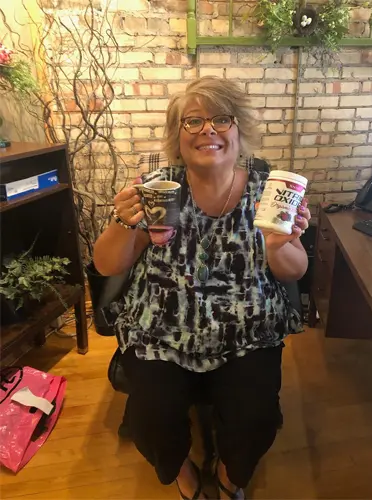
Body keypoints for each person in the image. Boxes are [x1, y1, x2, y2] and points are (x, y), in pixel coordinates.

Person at [93, 76, 310, 500]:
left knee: (256, 417)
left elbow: (294, 270)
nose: (208, 129)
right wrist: (122, 223)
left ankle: (230, 473)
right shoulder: (157, 189)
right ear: (178, 135)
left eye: (221, 119)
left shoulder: (269, 191)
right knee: (150, 419)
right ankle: (182, 471)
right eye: (193, 121)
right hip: (160, 328)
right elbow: (108, 265)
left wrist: (279, 245)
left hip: (248, 330)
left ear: (239, 129)